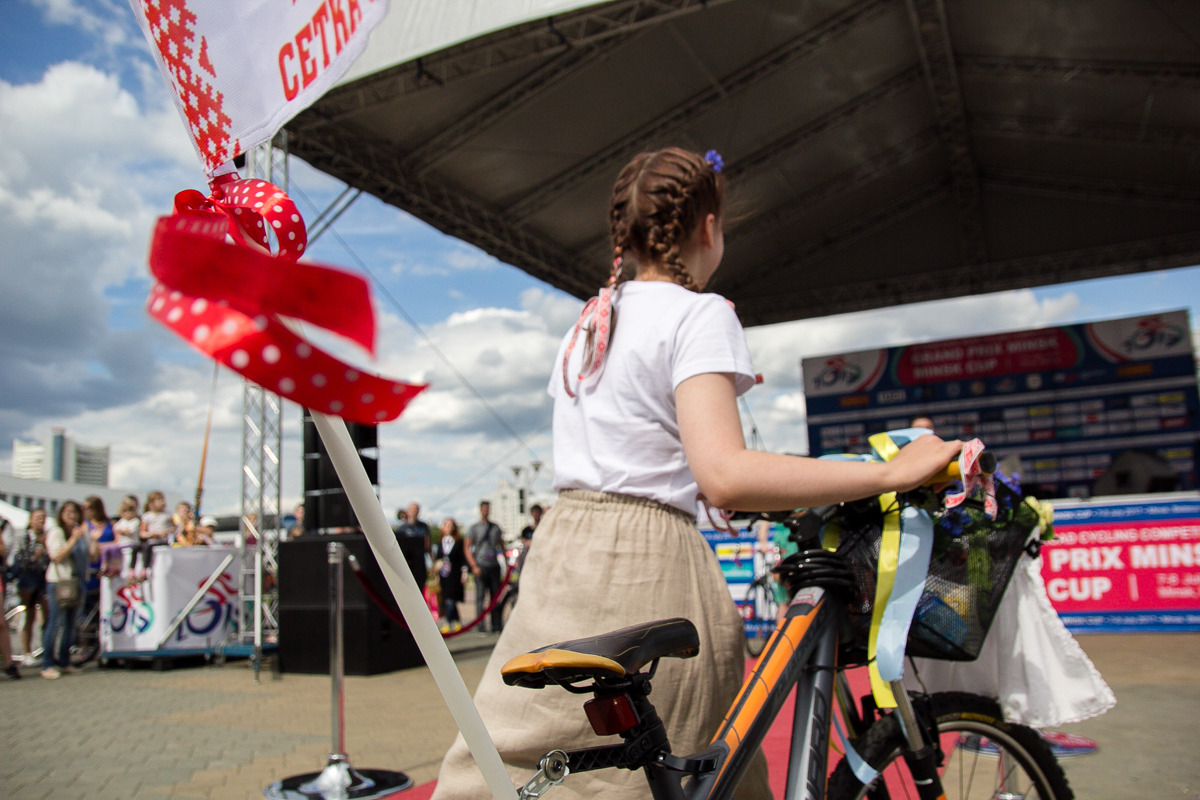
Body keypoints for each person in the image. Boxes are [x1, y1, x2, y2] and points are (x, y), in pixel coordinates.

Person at [430, 148, 961, 799]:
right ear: (707, 228)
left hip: (563, 558)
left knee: (528, 759)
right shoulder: (698, 312)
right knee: (691, 770)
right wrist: (889, 472)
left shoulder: (595, 318)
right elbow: (726, 477)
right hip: (648, 564)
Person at [42, 501, 90, 679]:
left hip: (77, 581)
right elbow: (57, 556)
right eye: (68, 512)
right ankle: (47, 664)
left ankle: (65, 661)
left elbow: (91, 555)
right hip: (59, 582)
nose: (72, 515)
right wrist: (74, 539)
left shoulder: (80, 533)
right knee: (55, 623)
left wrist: (88, 537)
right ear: (61, 514)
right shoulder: (57, 532)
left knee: (71, 625)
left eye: (75, 512)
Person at [10, 509, 50, 665]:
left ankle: (46, 649)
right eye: (38, 518)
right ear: (31, 520)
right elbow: (23, 560)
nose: (41, 521)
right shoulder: (24, 537)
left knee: (47, 614)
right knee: (30, 615)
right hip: (27, 579)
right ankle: (26, 652)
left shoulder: (46, 536)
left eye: (43, 518)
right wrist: (40, 551)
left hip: (43, 578)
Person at [464, 500, 504, 634]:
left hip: (493, 565)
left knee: (495, 596)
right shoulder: (474, 528)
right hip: (480, 565)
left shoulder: (495, 527)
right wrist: (473, 565)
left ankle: (496, 624)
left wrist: (507, 561)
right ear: (480, 510)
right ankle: (481, 626)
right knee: (480, 596)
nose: (486, 511)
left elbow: (501, 544)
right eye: (484, 509)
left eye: (488, 509)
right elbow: (467, 547)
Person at [432, 517, 468, 633]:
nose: (449, 528)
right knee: (447, 598)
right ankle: (457, 621)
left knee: (451, 598)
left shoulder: (458, 542)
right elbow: (438, 557)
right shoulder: (440, 542)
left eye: (451, 525)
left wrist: (464, 573)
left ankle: (448, 622)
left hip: (454, 573)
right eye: (447, 525)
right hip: (444, 574)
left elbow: (462, 559)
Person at [130, 490, 172, 579]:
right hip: (151, 539)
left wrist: (165, 532)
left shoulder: (167, 515)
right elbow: (142, 533)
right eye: (159, 500)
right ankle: (132, 570)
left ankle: (145, 569)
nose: (162, 502)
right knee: (135, 547)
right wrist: (152, 535)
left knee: (148, 547)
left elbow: (174, 528)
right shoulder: (146, 516)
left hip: (162, 541)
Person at [394, 502, 432, 587]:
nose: (414, 512)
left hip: (420, 562)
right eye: (412, 509)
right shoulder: (401, 529)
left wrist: (432, 562)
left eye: (416, 510)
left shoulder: (423, 526)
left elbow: (428, 545)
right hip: (407, 563)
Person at [104, 495, 140, 576]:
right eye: (125, 511)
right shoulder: (121, 521)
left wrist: (121, 531)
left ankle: (116, 568)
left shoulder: (136, 521)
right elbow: (115, 529)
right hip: (121, 543)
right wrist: (121, 531)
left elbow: (129, 531)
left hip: (130, 544)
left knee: (116, 549)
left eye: (130, 511)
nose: (128, 513)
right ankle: (105, 567)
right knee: (107, 549)